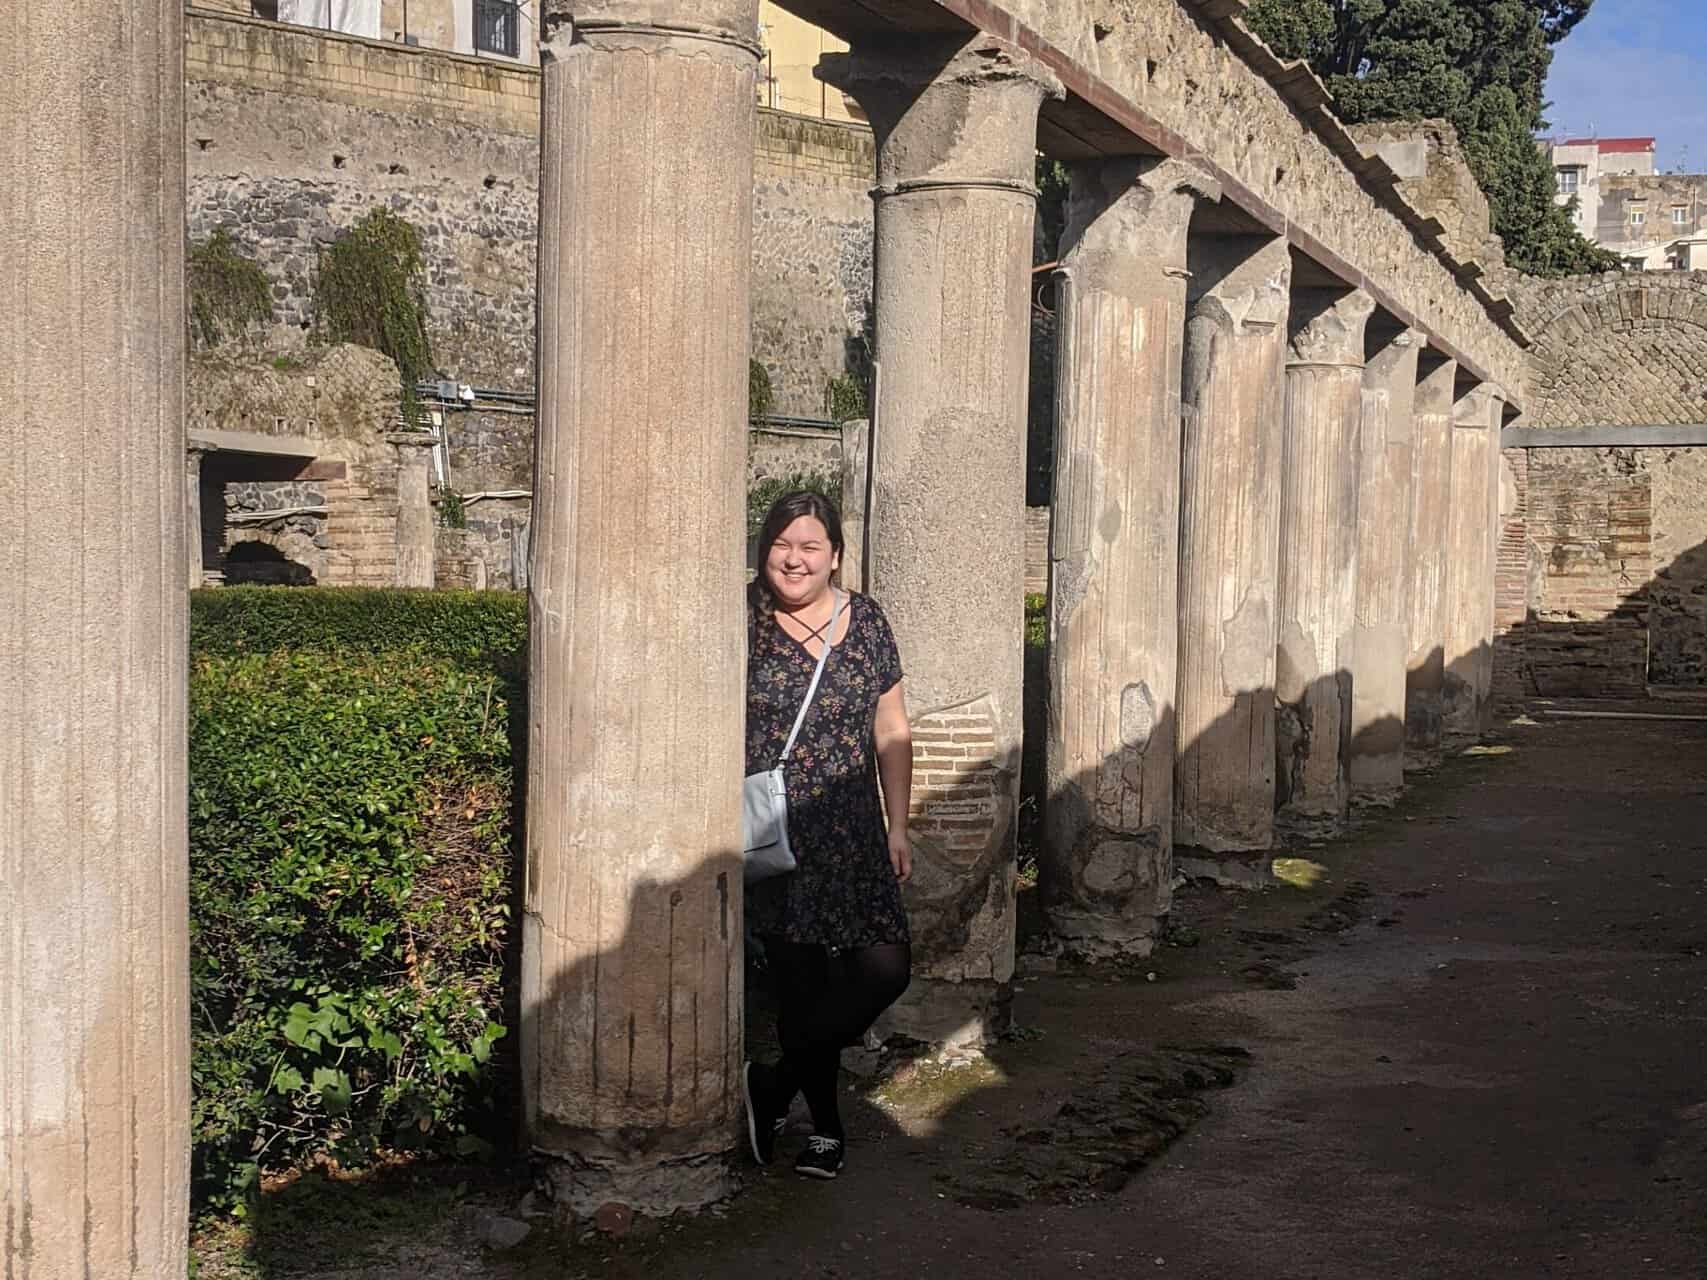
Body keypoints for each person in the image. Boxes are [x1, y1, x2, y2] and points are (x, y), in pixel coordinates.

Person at [742, 490, 913, 1180]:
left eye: (810, 546)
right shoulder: (742, 618)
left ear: (835, 555)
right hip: (776, 831)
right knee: (803, 985)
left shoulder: (865, 619)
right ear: (764, 554)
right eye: (782, 544)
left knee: (884, 970)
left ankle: (773, 1085)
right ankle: (826, 1131)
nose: (794, 558)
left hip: (853, 828)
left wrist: (898, 823)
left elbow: (891, 727)